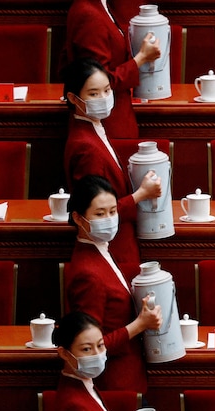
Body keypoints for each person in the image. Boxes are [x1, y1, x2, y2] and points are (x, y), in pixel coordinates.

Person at [65, 174, 161, 393]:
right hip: (115, 382)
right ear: (79, 218)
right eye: (100, 214)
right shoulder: (87, 275)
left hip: (129, 373)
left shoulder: (100, 250)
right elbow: (90, 347)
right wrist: (140, 324)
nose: (109, 219)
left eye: (112, 211)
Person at [63, 58, 162, 266]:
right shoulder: (87, 148)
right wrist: (141, 194)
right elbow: (96, 208)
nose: (103, 98)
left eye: (107, 90)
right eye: (93, 94)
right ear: (74, 98)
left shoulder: (93, 129)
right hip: (114, 245)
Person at [63, 0, 161, 138]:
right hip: (108, 124)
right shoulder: (88, 13)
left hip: (115, 119)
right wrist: (141, 58)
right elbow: (98, 82)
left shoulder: (99, 6)